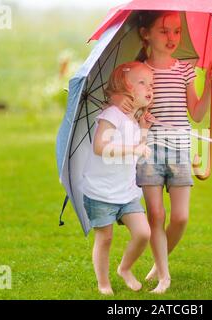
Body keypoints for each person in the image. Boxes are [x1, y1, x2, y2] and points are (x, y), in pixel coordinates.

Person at [111, 11, 212, 293]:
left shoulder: (185, 69)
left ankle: (158, 263)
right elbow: (132, 115)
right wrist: (137, 116)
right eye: (164, 31)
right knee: (156, 215)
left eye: (176, 31)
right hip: (149, 150)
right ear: (146, 33)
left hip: (180, 148)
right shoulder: (138, 72)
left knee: (181, 217)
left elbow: (196, 113)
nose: (172, 37)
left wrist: (209, 86)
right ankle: (164, 276)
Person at [81, 61, 155, 295]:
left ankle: (125, 268)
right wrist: (133, 147)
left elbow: (137, 148)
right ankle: (103, 283)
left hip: (126, 191)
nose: (149, 88)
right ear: (125, 87)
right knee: (105, 238)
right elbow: (100, 146)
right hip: (101, 191)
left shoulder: (134, 119)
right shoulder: (111, 114)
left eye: (151, 83)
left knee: (143, 233)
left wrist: (143, 129)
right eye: (141, 82)